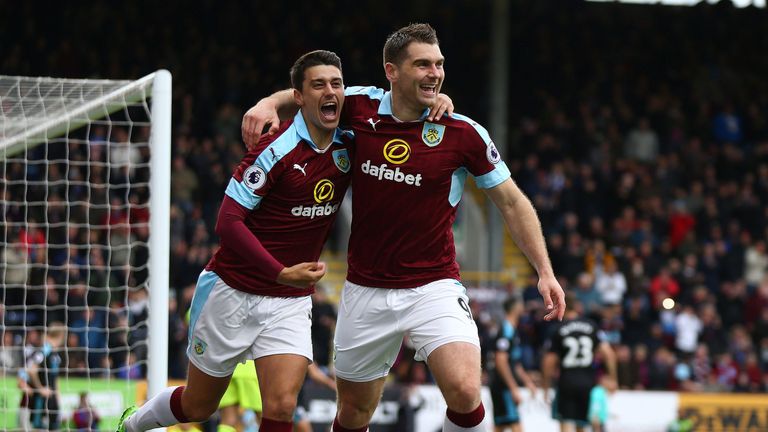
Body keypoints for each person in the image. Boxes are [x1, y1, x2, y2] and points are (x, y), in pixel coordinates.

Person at [242, 23, 565, 432]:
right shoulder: (358, 108)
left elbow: (513, 202)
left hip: (434, 285)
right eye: (422, 64)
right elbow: (309, 94)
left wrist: (545, 271)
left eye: (439, 64)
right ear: (391, 71)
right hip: (364, 289)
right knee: (355, 411)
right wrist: (268, 104)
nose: (435, 73)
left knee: (466, 391)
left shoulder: (462, 133)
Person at [116, 50, 354, 432]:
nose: (331, 91)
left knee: (280, 405)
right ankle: (133, 424)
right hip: (232, 291)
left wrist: (434, 101)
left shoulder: (350, 136)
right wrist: (279, 272)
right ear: (298, 96)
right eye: (318, 84)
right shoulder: (275, 148)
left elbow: (397, 102)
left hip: (289, 301)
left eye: (337, 83)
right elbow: (227, 221)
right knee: (198, 404)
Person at [542, 301, 616, 432]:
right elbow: (608, 354)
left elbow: (549, 361)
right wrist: (613, 378)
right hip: (587, 382)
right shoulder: (592, 326)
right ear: (577, 307)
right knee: (581, 424)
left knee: (565, 422)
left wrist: (546, 386)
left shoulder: (558, 329)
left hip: (567, 382)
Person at [490, 297, 537, 432]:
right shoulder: (506, 330)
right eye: (521, 305)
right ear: (515, 308)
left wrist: (528, 382)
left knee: (500, 425)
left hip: (503, 387)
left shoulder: (512, 330)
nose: (523, 308)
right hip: (502, 387)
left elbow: (514, 363)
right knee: (516, 425)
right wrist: (513, 388)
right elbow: (500, 360)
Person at [26, 322, 66, 430]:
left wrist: (58, 399)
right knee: (39, 427)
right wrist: (40, 388)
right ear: (61, 335)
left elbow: (55, 378)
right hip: (41, 399)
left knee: (54, 427)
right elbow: (31, 370)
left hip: (52, 401)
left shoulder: (56, 354)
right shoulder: (44, 350)